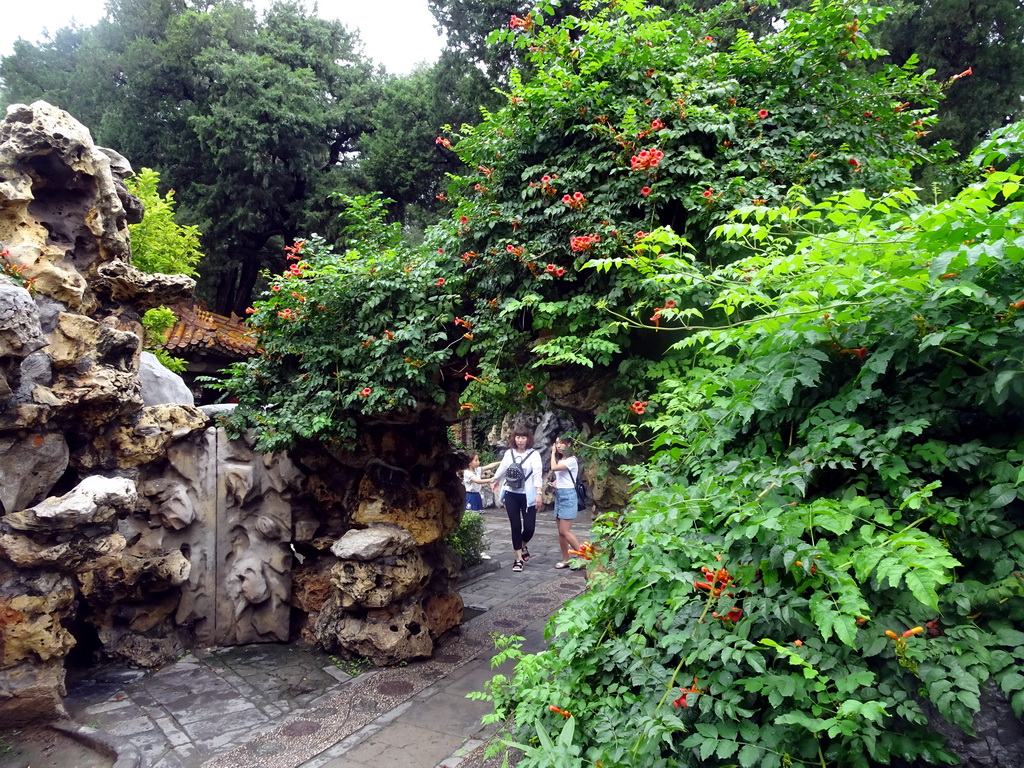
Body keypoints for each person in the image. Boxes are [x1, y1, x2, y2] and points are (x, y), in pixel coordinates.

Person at [491, 428, 544, 572]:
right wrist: (495, 479)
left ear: (528, 439)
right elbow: (503, 468)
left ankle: (522, 545)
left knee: (529, 528)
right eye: (518, 437)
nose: (520, 440)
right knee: (515, 526)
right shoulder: (509, 453)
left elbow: (537, 475)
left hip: (528, 495)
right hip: (511, 494)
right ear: (514, 439)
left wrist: (539, 493)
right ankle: (518, 559)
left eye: (523, 437)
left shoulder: (534, 455)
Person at [550, 435, 583, 569]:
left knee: (565, 531)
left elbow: (554, 467)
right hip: (560, 494)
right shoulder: (563, 459)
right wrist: (556, 483)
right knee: (560, 532)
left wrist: (552, 453)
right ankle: (566, 559)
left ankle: (582, 555)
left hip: (568, 496)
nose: (558, 446)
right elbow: (565, 478)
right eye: (557, 443)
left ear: (569, 444)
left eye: (561, 443)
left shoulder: (571, 460)